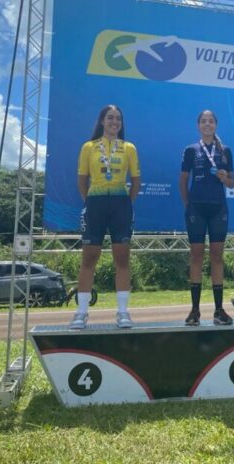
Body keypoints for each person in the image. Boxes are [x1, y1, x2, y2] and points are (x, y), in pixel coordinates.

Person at [69, 105, 140, 330]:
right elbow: (82, 181)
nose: (114, 122)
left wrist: (125, 203)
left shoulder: (129, 148)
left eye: (118, 118)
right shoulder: (88, 147)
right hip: (95, 203)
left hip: (120, 204)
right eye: (110, 118)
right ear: (101, 121)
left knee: (122, 258)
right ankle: (81, 313)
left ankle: (122, 312)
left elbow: (136, 181)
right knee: (89, 258)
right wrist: (90, 201)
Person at [180, 110, 234, 326]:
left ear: (216, 125)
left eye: (211, 121)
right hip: (197, 209)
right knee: (196, 256)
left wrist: (225, 178)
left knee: (217, 257)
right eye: (203, 121)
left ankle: (219, 310)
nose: (207, 124)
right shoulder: (191, 150)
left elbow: (232, 183)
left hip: (218, 208)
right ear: (198, 126)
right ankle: (194, 310)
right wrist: (188, 205)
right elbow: (183, 180)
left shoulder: (225, 150)